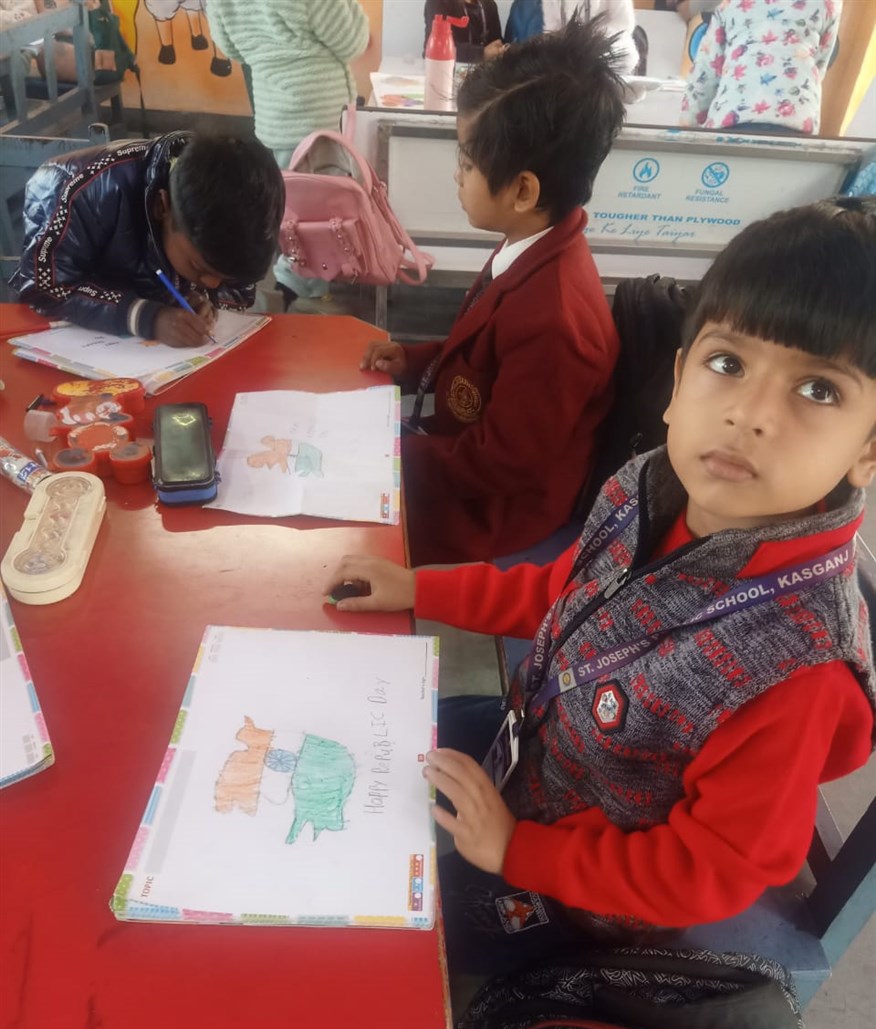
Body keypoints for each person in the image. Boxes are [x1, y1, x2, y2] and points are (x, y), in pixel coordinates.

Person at [329, 196, 876, 975]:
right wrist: (416, 587)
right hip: (532, 743)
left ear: (868, 450)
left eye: (818, 389)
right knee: (355, 748)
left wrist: (516, 851)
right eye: (728, 364)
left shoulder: (798, 674)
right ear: (678, 380)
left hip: (576, 889)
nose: (750, 414)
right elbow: (560, 594)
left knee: (375, 920)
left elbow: (711, 872)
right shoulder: (646, 488)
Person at [360, 17, 625, 566]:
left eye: (467, 161)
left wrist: (389, 455)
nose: (457, 175)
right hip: (458, 457)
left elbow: (503, 463)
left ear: (523, 190)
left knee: (346, 530)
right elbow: (483, 358)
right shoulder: (531, 243)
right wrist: (413, 360)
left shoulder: (557, 323)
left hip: (495, 514)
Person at [10, 133, 284, 347]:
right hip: (70, 343)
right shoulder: (77, 189)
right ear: (161, 207)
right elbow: (45, 288)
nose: (213, 282)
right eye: (199, 268)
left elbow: (236, 286)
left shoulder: (244, 216)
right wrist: (147, 317)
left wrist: (203, 298)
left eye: (222, 277)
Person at [208, 0, 370, 313]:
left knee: (290, 204)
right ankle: (295, 288)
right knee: (319, 212)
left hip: (274, 114)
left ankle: (297, 281)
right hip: (317, 115)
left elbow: (231, 47)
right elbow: (352, 40)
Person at [679, 0, 841, 135]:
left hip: (733, 115)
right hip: (797, 119)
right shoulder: (829, 3)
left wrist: (686, 130)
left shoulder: (729, 4)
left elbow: (706, 73)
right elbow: (821, 60)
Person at [505, 0, 639, 74]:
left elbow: (623, 24)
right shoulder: (525, 6)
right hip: (565, 54)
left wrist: (589, 40)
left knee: (628, 56)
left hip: (604, 48)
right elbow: (550, 28)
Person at [424, 0, 504, 64]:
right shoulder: (438, 2)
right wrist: (482, 53)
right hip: (444, 70)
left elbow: (496, 44)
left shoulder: (490, 5)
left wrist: (500, 50)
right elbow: (438, 48)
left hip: (481, 74)